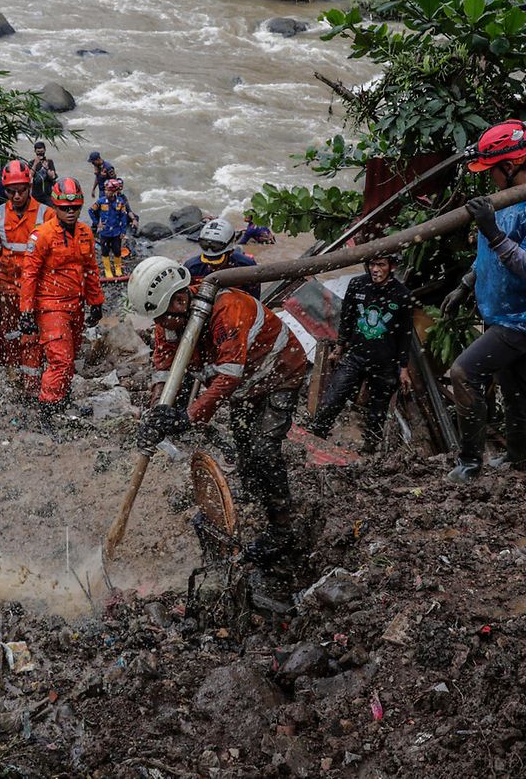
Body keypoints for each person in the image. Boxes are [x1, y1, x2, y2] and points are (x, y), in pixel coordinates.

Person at [130, 256, 308, 564]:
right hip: (245, 385)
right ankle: (253, 493)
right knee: (243, 443)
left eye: (162, 318)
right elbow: (164, 368)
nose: (160, 326)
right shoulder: (168, 319)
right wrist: (155, 413)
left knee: (264, 449)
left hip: (279, 373)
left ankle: (284, 529)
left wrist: (187, 417)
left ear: (180, 299)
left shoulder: (227, 310)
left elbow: (227, 377)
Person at [442, 119, 526, 482]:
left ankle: (470, 463)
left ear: (510, 165)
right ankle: (520, 459)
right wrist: (467, 281)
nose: (490, 178)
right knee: (511, 381)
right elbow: (491, 252)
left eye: (492, 171)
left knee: (465, 372)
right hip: (509, 309)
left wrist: (489, 228)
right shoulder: (510, 198)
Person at [307, 252, 420, 454]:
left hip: (385, 362)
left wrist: (403, 368)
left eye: (381, 265)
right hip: (356, 356)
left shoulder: (401, 294)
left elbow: (406, 334)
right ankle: (317, 439)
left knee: (377, 411)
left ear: (392, 267)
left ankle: (368, 451)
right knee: (333, 398)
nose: (375, 270)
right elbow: (347, 318)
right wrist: (339, 347)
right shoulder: (358, 285)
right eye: (372, 265)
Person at [18, 178, 104, 416]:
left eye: (75, 208)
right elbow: (29, 275)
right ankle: (47, 410)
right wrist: (26, 312)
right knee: (61, 361)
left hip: (75, 305)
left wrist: (96, 302)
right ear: (55, 207)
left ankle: (62, 402)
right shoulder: (42, 235)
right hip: (50, 307)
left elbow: (90, 270)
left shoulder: (85, 233)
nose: (70, 212)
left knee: (71, 357)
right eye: (65, 208)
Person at [0, 159, 50, 388]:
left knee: (32, 331)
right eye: (11, 192)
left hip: (35, 285)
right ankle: (13, 366)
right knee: (10, 330)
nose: (17, 196)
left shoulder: (46, 215)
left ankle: (32, 376)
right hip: (7, 283)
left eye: (21, 191)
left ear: (29, 188)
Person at [184, 218, 260, 298]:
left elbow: (254, 300)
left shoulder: (246, 267)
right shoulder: (192, 268)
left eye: (217, 262)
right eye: (208, 261)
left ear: (230, 252)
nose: (212, 267)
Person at [88, 175, 138, 279]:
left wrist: (123, 231)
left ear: (114, 191)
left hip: (116, 232)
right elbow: (91, 211)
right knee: (105, 251)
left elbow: (123, 217)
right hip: (104, 232)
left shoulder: (120, 202)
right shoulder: (101, 202)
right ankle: (107, 270)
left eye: (109, 190)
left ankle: (118, 268)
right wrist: (97, 223)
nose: (107, 192)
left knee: (117, 251)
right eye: (106, 190)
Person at [27, 140, 58, 207]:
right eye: (38, 152)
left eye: (42, 152)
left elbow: (53, 176)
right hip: (36, 194)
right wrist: (35, 164)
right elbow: (29, 177)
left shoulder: (49, 162)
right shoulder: (31, 163)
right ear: (35, 151)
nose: (40, 154)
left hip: (48, 194)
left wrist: (46, 168)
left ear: (45, 150)